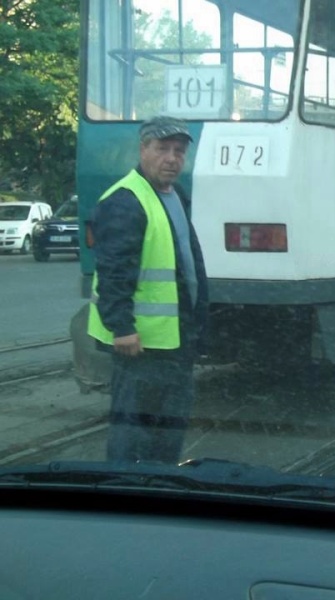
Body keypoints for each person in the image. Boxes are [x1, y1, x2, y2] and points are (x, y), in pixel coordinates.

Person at [87, 115, 209, 464]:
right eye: (162, 149)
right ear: (143, 150)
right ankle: (124, 491)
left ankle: (162, 483)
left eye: (179, 151)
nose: (172, 158)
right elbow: (113, 272)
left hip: (173, 340)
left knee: (168, 425)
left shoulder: (174, 195)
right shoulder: (125, 200)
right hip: (140, 345)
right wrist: (122, 328)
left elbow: (185, 265)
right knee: (133, 426)